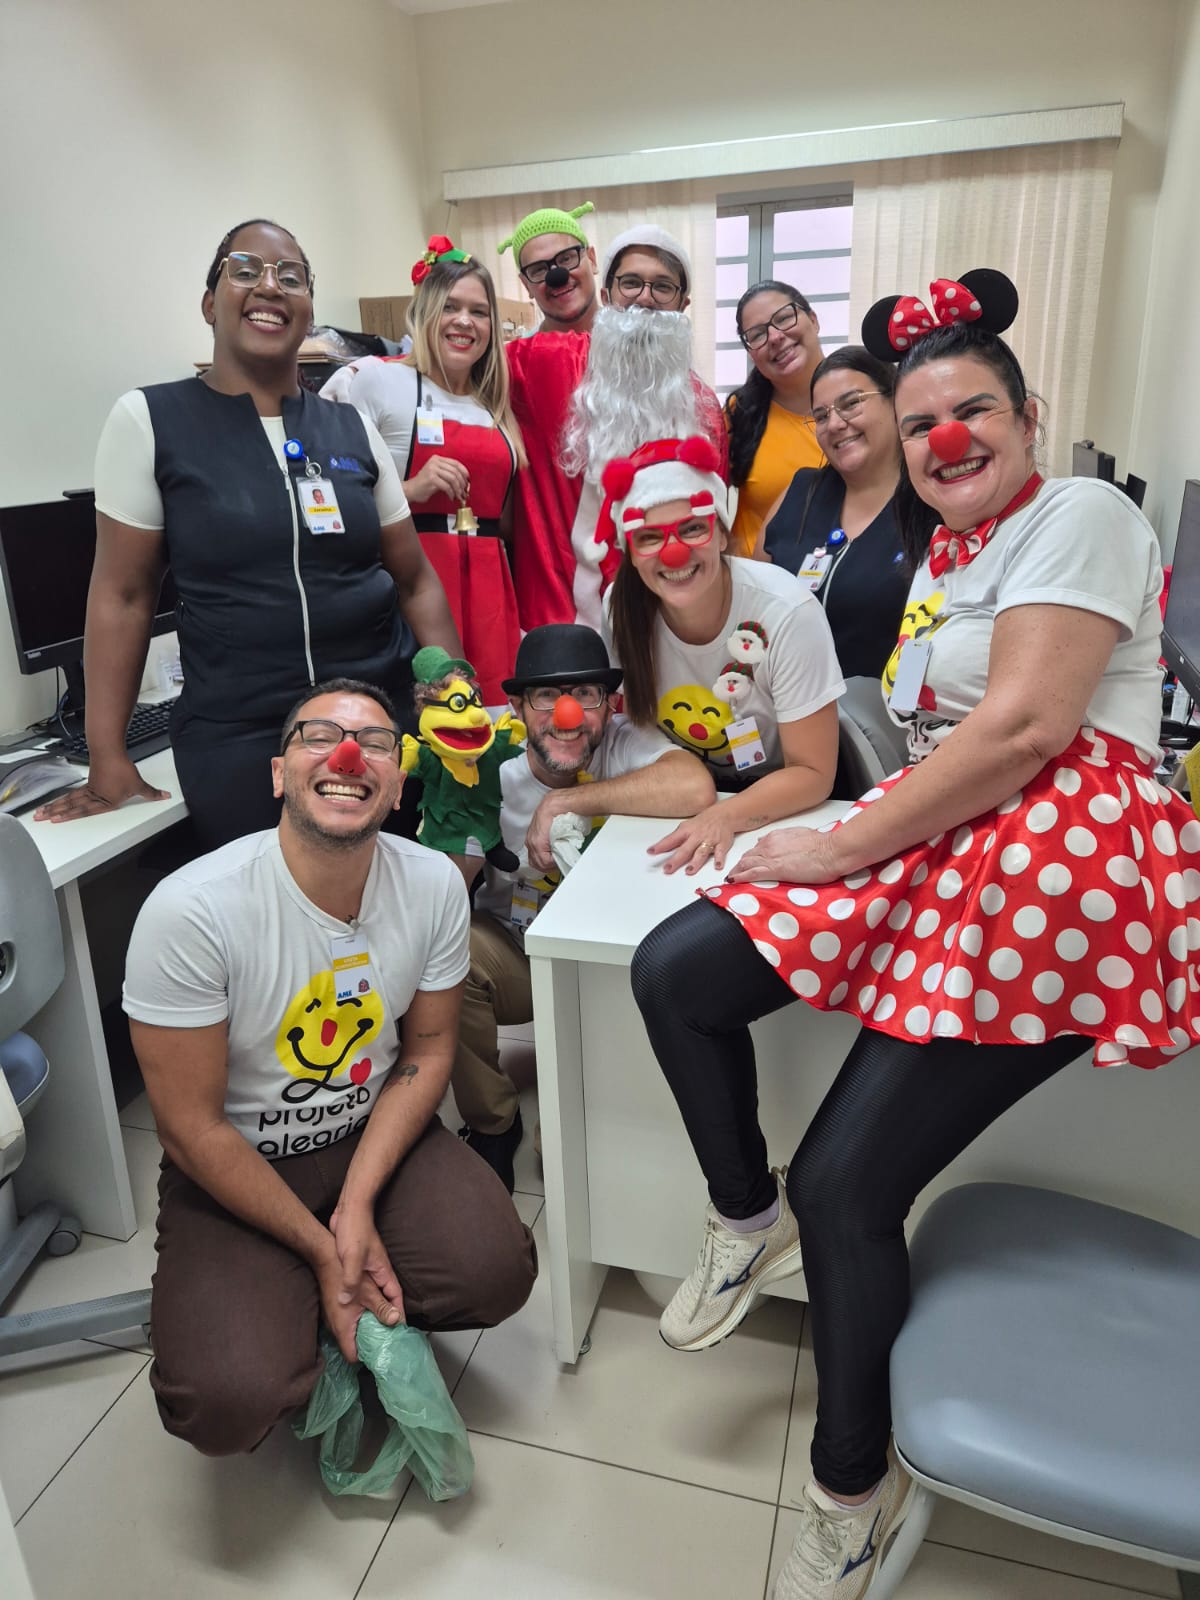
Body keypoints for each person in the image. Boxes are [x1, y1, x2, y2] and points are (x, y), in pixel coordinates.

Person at [629, 270, 1200, 1600]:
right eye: (923, 418)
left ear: (1029, 416)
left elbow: (1026, 728)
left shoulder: (1081, 513)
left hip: (1054, 861)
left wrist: (839, 843)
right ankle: (741, 1211)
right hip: (955, 834)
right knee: (676, 970)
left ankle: (849, 1485)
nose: (947, 437)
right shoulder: (955, 552)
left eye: (974, 410)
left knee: (848, 1184)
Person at [121, 678, 537, 1455]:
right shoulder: (191, 912)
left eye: (375, 743)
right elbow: (190, 1129)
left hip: (369, 1131)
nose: (347, 755)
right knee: (224, 1400)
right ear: (280, 775)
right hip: (239, 1157)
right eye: (318, 736)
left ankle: (330, 1276)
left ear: (398, 786)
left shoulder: (433, 885)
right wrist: (325, 1251)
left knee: (496, 1271)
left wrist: (356, 1205)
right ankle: (297, 1295)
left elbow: (428, 1051)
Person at [36, 218, 461, 849]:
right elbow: (123, 596)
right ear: (210, 303)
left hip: (376, 724)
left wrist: (454, 694)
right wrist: (107, 755)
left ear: (308, 310)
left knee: (392, 896)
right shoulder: (151, 421)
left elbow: (415, 581)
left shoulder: (351, 428)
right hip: (240, 739)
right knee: (263, 906)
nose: (269, 286)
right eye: (244, 270)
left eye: (291, 277)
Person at [455, 624, 715, 1189]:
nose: (567, 713)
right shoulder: (486, 763)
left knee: (570, 1156)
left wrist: (564, 801)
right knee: (449, 949)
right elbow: (447, 893)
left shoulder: (622, 741)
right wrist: (455, 824)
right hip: (519, 954)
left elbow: (695, 787)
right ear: (518, 707)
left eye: (585, 694)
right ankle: (494, 1123)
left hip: (611, 968)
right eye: (547, 695)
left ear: (608, 704)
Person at [599, 436, 843, 877]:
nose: (674, 552)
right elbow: (637, 729)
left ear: (722, 532)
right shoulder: (621, 609)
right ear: (630, 553)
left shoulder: (787, 611)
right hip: (681, 800)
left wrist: (722, 817)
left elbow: (814, 772)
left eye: (693, 528)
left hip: (780, 806)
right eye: (649, 537)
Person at [500, 205, 726, 631]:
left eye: (663, 287)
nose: (645, 298)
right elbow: (461, 361)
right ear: (608, 295)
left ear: (683, 304)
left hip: (669, 614)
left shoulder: (704, 407)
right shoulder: (540, 362)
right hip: (564, 614)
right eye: (631, 283)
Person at [321, 236, 525, 702]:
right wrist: (411, 489)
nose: (464, 321)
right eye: (450, 306)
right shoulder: (377, 380)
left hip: (491, 590)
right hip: (412, 582)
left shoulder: (495, 403)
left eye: (479, 311)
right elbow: (332, 501)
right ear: (424, 312)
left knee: (491, 722)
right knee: (425, 718)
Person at [757, 346, 909, 681]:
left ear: (895, 401)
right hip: (786, 700)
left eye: (851, 403)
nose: (835, 424)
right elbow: (753, 604)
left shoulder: (928, 505)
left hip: (885, 710)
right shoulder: (801, 492)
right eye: (822, 416)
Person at [726, 281, 826, 560]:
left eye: (783, 318)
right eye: (757, 334)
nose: (775, 337)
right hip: (753, 581)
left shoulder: (862, 403)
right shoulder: (739, 413)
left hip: (843, 578)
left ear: (813, 320)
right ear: (751, 353)